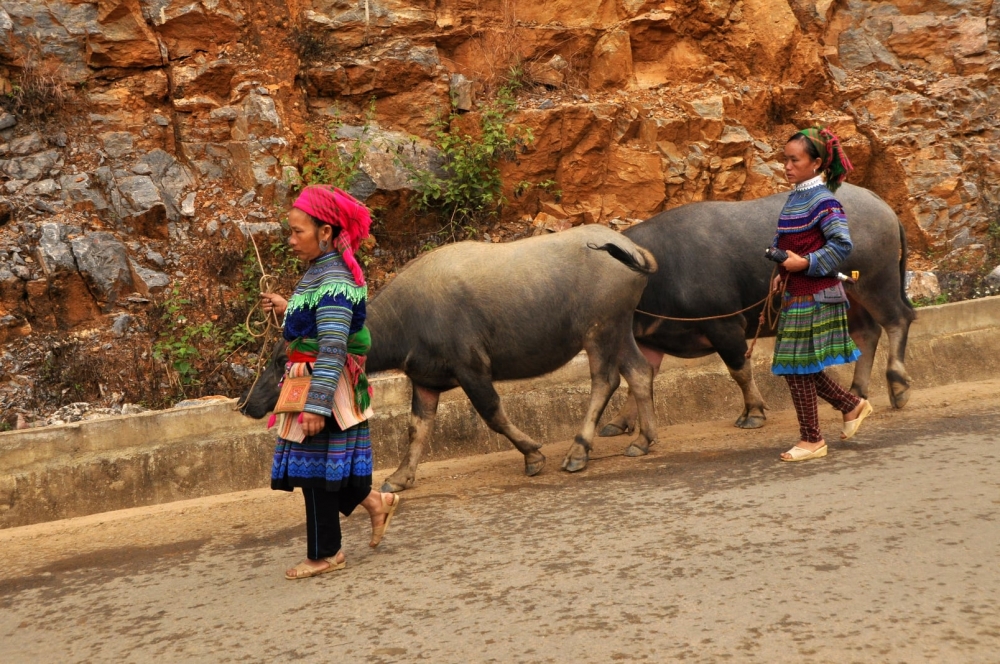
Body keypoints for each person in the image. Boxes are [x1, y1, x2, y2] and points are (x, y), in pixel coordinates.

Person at [260, 184, 401, 579]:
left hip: (325, 383)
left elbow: (334, 345)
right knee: (320, 470)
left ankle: (327, 555)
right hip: (314, 379)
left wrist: (317, 404)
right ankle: (375, 503)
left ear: (325, 232)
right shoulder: (319, 272)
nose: (290, 240)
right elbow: (318, 324)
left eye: (297, 231)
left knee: (317, 475)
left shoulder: (335, 279)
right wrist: (289, 308)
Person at [769, 127, 874, 462]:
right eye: (785, 159)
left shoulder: (825, 201)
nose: (787, 166)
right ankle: (850, 404)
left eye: (794, 159)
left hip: (816, 293)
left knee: (796, 365)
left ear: (815, 163)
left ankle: (813, 439)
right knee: (797, 365)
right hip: (796, 292)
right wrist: (780, 272)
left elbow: (842, 244)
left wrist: (807, 263)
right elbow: (788, 246)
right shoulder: (796, 198)